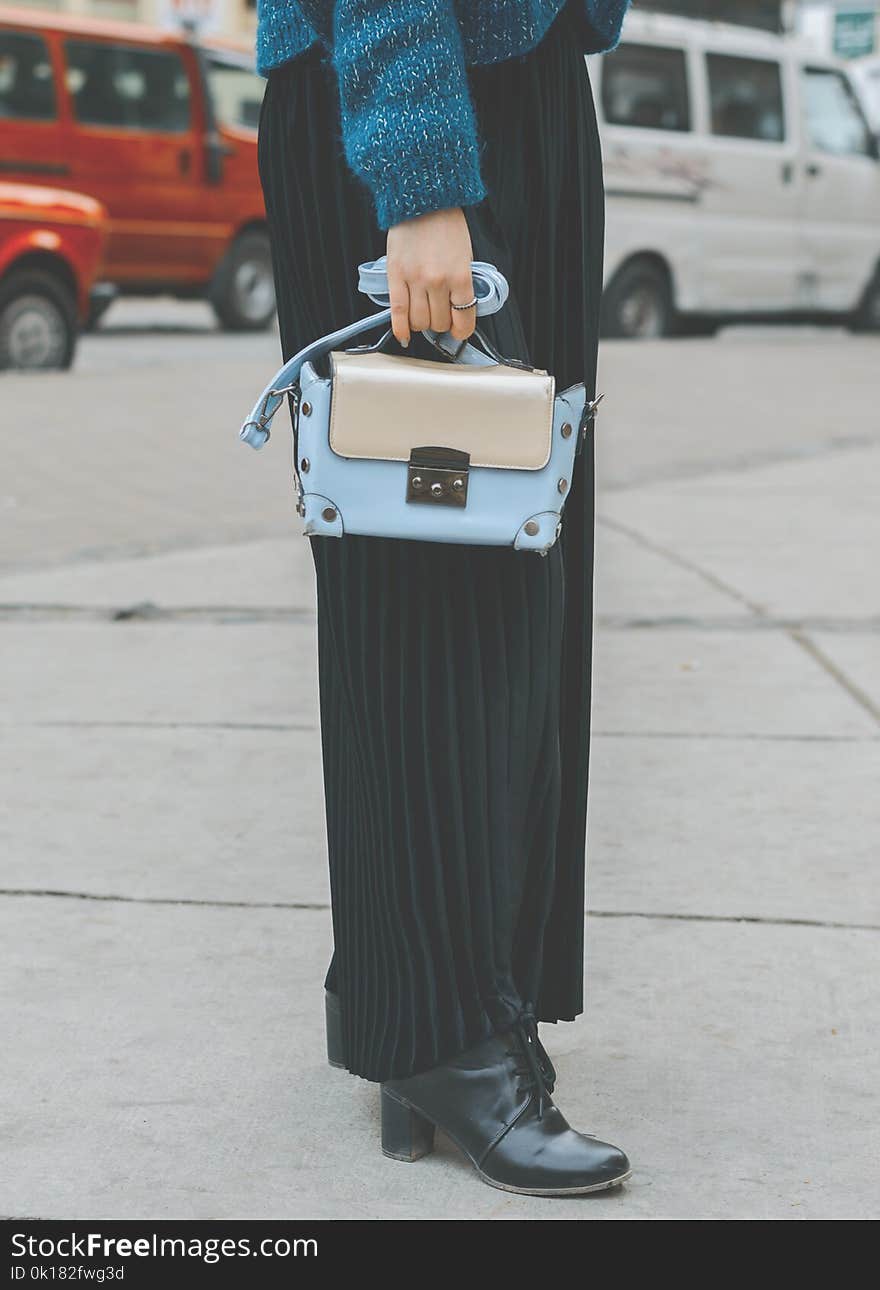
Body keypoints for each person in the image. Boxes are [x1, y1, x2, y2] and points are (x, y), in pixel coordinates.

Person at [256, 0, 632, 1196]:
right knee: (437, 588)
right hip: (420, 100)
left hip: (518, 90)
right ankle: (443, 1036)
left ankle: (436, 1000)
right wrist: (417, 175)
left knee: (507, 558)